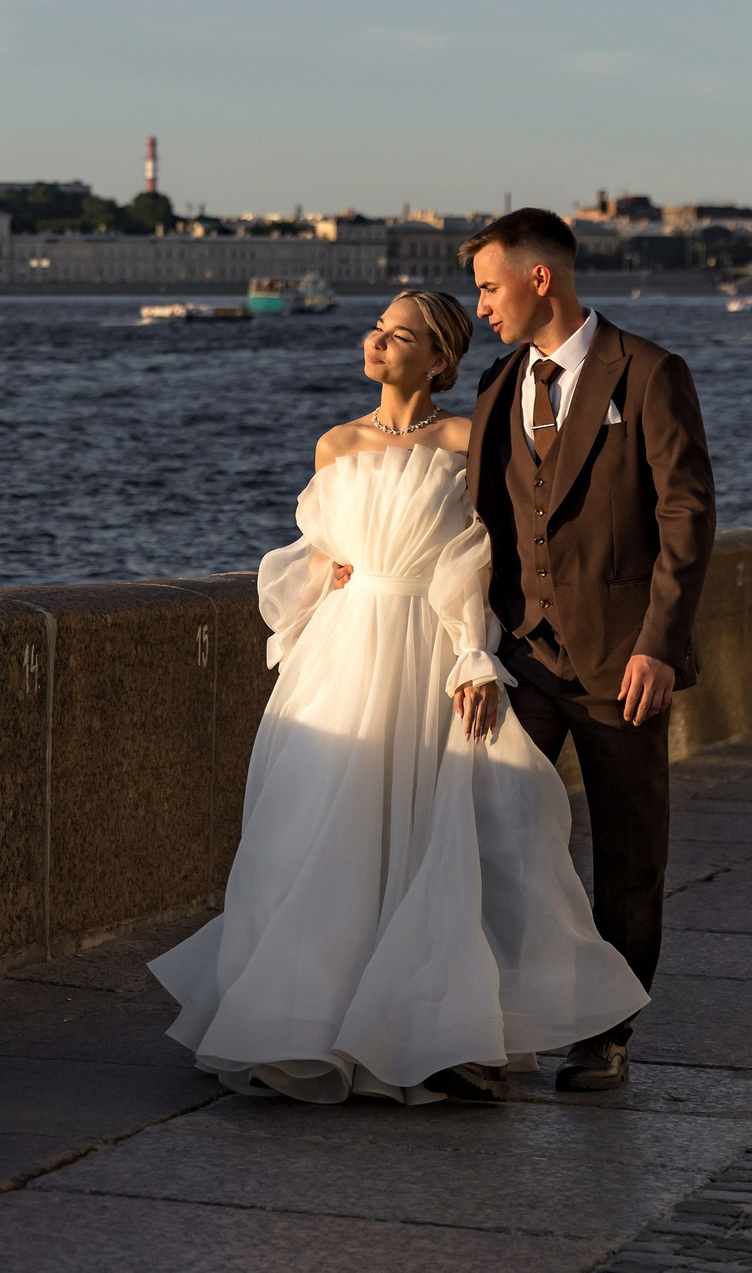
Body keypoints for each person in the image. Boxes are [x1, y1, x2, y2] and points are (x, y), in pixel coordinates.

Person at [150, 289, 647, 1105]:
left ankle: (436, 1030)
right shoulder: (335, 443)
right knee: (318, 835)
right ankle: (305, 1022)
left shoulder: (466, 441)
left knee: (435, 835)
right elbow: (315, 552)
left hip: (424, 648)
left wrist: (473, 659)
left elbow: (476, 559)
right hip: (343, 653)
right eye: (378, 330)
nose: (377, 342)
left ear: (439, 360)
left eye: (400, 335)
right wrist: (329, 573)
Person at [459, 208, 715, 1092]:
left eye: (490, 285)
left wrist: (659, 643)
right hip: (521, 656)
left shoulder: (648, 373)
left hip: (619, 660)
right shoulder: (497, 383)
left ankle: (608, 1030)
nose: (481, 305)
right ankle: (489, 1022)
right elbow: (468, 509)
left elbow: (686, 518)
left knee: (630, 853)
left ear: (541, 280)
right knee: (492, 832)